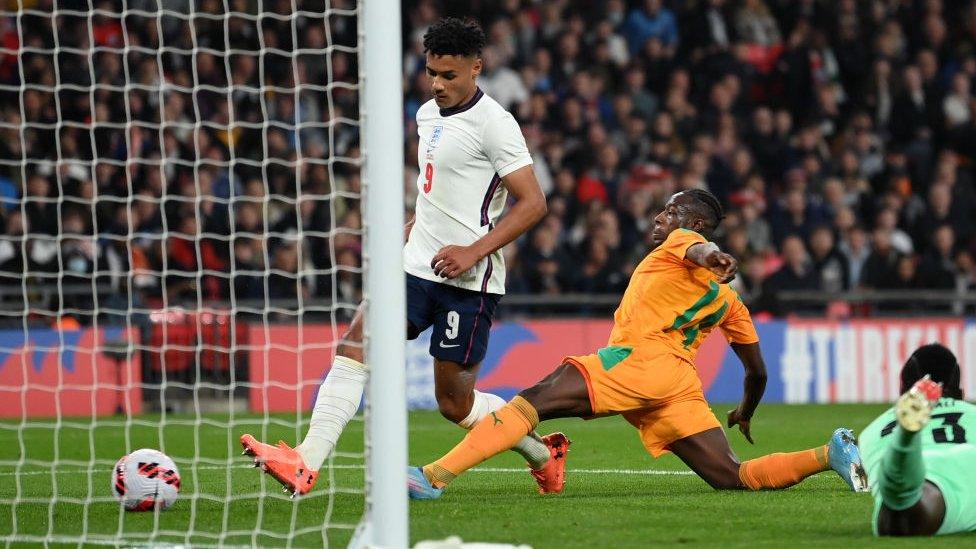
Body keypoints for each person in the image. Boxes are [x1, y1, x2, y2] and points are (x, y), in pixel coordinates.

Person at [242, 17, 559, 496]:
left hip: (469, 281)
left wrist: (472, 250)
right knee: (354, 347)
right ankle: (305, 461)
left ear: (477, 68)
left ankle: (541, 452)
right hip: (416, 267)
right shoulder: (427, 114)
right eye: (432, 72)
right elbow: (437, 190)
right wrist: (412, 230)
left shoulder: (495, 124)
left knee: (454, 404)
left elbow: (534, 203)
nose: (437, 84)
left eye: (449, 76)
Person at [407, 189, 867, 499]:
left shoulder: (681, 242)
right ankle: (829, 453)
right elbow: (757, 371)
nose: (660, 218)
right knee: (734, 478)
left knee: (530, 403)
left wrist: (714, 254)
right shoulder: (732, 303)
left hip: (637, 361)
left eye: (671, 212)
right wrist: (745, 409)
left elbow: (698, 250)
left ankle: (433, 478)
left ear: (696, 222)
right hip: (678, 384)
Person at [858, 344, 976, 536]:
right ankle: (905, 447)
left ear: (902, 394)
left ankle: (905, 438)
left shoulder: (871, 433)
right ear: (960, 395)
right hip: (965, 459)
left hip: (905, 474)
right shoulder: (971, 413)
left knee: (903, 498)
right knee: (921, 500)